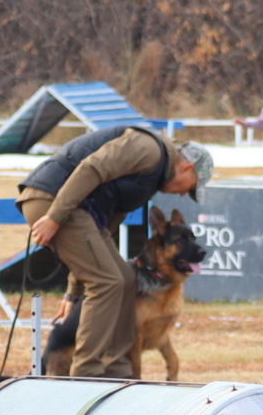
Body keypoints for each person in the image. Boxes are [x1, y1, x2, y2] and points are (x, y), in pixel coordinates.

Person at [18, 128, 212, 378]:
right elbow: (91, 168)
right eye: (192, 187)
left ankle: (119, 370)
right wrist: (55, 217)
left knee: (126, 278)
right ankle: (86, 372)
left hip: (75, 211)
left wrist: (73, 293)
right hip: (50, 200)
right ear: (187, 168)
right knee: (108, 281)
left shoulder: (151, 177)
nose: (185, 193)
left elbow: (102, 232)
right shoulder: (149, 150)